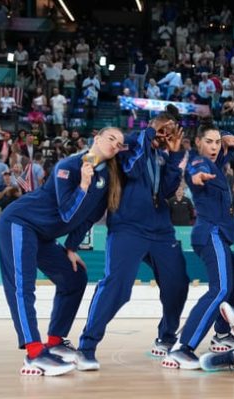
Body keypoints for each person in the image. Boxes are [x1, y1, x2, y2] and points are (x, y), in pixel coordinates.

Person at [0, 127, 125, 376]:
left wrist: (70, 248)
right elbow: (67, 211)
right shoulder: (68, 166)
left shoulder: (106, 177)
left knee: (74, 277)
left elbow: (88, 219)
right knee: (23, 285)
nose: (115, 145)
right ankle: (34, 353)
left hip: (44, 236)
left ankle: (54, 341)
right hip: (20, 223)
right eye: (111, 138)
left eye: (119, 144)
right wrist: (83, 185)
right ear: (96, 138)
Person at [76, 107, 190, 371]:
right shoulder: (128, 144)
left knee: (177, 283)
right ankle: (86, 347)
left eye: (170, 130)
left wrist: (173, 156)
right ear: (152, 125)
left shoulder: (164, 155)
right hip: (128, 228)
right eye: (163, 128)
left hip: (161, 230)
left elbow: (168, 191)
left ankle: (166, 337)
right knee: (117, 287)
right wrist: (148, 137)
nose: (166, 134)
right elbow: (132, 168)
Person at [161, 120, 234, 369]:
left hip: (217, 234)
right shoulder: (198, 162)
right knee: (220, 288)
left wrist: (225, 140)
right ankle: (182, 347)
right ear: (198, 143)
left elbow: (215, 164)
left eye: (217, 142)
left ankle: (221, 333)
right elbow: (195, 172)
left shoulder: (214, 163)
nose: (215, 146)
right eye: (209, 141)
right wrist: (195, 177)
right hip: (211, 233)